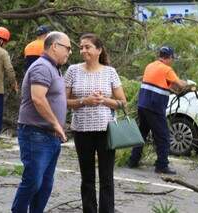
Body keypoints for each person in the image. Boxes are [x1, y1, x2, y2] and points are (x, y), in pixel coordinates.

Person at [65, 33, 126, 213]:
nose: (83, 50)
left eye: (87, 47)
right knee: (87, 177)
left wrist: (104, 101)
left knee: (107, 177)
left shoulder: (110, 72)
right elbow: (61, 100)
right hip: (81, 130)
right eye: (81, 47)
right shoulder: (73, 70)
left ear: (98, 50)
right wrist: (84, 101)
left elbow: (123, 102)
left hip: (106, 130)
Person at [11, 31, 72, 212]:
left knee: (45, 184)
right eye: (67, 48)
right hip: (36, 133)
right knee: (33, 181)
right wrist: (55, 124)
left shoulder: (54, 68)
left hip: (50, 135)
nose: (69, 52)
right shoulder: (42, 67)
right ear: (55, 46)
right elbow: (38, 98)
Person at [127, 46, 189, 175]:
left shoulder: (150, 66)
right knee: (163, 136)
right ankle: (162, 165)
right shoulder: (167, 69)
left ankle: (133, 161)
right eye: (172, 58)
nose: (172, 61)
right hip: (154, 107)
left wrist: (172, 88)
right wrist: (189, 84)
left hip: (143, 105)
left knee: (142, 133)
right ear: (169, 57)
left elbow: (163, 84)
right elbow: (180, 84)